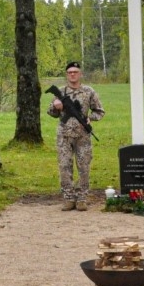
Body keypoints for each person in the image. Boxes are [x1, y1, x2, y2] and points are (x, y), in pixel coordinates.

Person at [46, 61, 105, 211]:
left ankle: (82, 198)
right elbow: (51, 113)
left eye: (75, 72)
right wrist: (56, 107)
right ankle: (68, 198)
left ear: (80, 74)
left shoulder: (89, 91)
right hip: (64, 136)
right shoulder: (60, 91)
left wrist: (90, 118)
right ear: (67, 75)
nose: (72, 74)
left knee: (83, 166)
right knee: (64, 166)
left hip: (82, 136)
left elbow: (100, 111)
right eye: (70, 72)